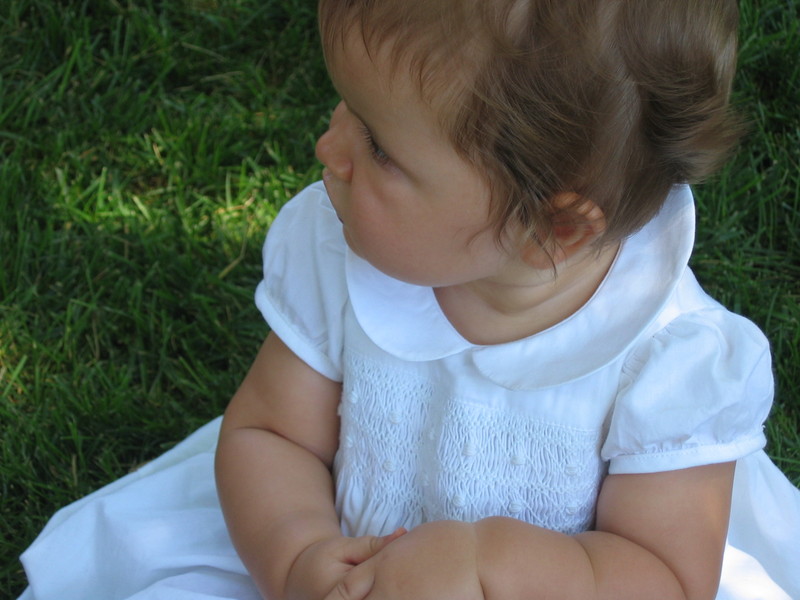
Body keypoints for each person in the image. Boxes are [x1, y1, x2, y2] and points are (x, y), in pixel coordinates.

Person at [18, 1, 800, 599]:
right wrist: (298, 553)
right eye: (349, 110)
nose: (329, 147)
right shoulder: (344, 256)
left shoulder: (670, 359)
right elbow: (271, 434)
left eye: (380, 146)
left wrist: (487, 566)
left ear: (549, 229)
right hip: (343, 549)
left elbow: (662, 576)